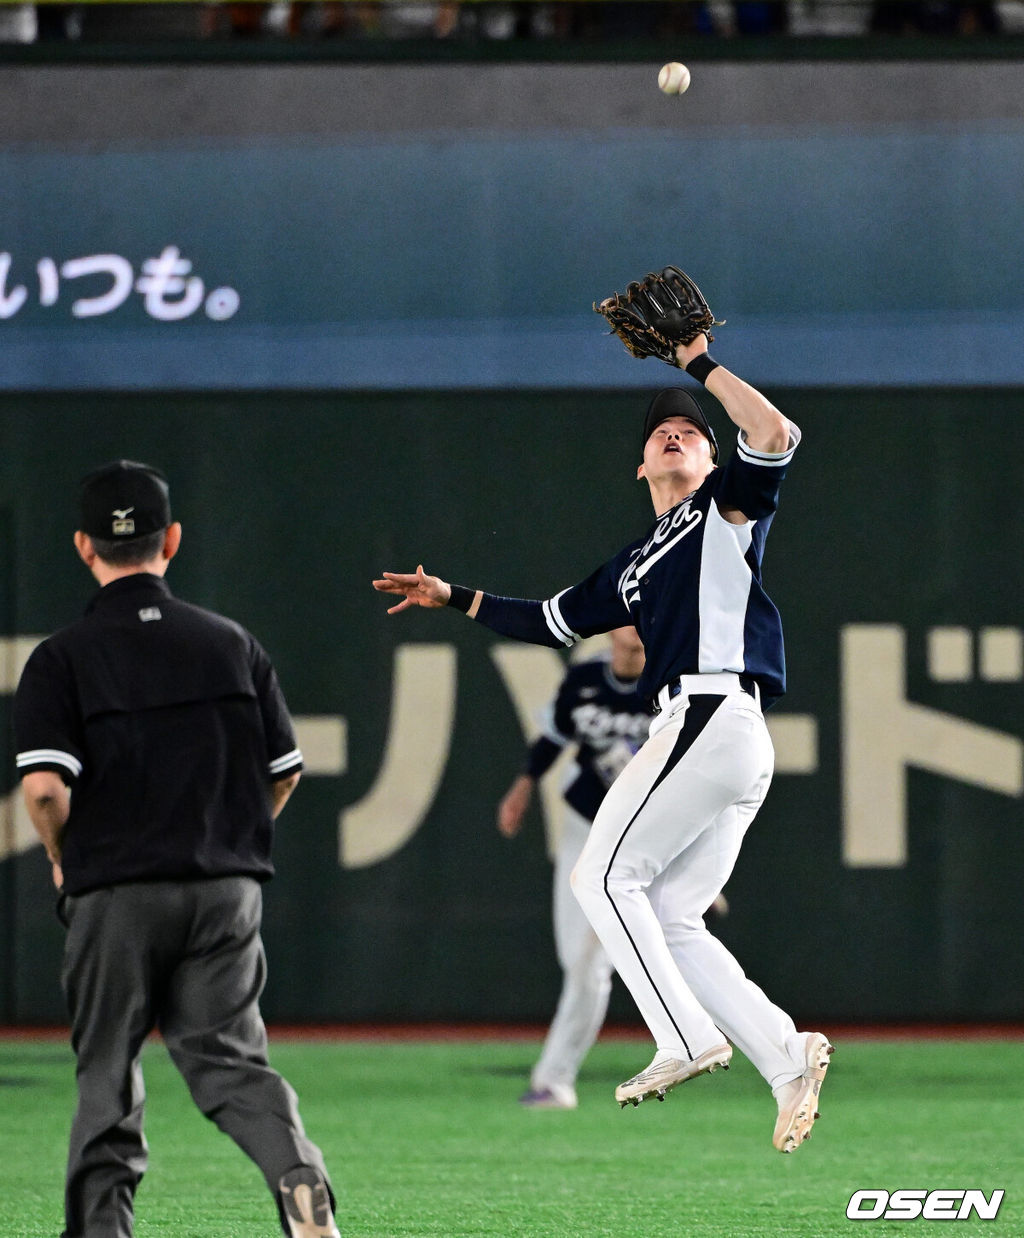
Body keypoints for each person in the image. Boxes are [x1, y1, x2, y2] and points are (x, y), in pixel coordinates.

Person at [373, 326, 833, 1153]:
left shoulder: (723, 507)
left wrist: (697, 363)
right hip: (724, 738)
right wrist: (453, 597)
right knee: (671, 911)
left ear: (708, 457)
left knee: (601, 875)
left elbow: (775, 436)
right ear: (640, 465)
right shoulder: (630, 564)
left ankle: (685, 1038)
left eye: (691, 429)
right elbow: (549, 619)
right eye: (662, 430)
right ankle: (786, 1056)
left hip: (710, 713)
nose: (677, 432)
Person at [13, 460, 340, 1238]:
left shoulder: (63, 656)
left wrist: (63, 853)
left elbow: (46, 791)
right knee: (232, 1064)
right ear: (175, 540)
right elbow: (284, 774)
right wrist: (231, 836)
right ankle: (300, 1182)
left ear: (83, 548)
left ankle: (102, 1230)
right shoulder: (231, 644)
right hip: (223, 888)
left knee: (107, 1070)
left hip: (115, 892)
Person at [497, 625, 650, 1110]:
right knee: (576, 960)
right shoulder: (585, 678)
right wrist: (522, 787)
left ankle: (554, 1080)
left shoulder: (675, 683)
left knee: (591, 963)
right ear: (612, 631)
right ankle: (555, 1079)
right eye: (630, 619)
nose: (637, 631)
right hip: (585, 826)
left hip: (643, 835)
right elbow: (552, 737)